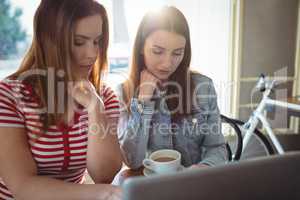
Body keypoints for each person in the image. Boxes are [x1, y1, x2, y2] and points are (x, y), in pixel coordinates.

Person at [0, 0, 122, 199]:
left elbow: (103, 175)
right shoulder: (8, 96)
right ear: (50, 42)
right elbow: (23, 186)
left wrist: (95, 107)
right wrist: (105, 193)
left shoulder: (104, 97)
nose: (92, 54)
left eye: (97, 41)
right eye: (79, 42)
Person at [117, 6, 227, 170]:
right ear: (141, 47)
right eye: (158, 51)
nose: (168, 64)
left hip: (193, 185)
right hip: (151, 187)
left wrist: (205, 167)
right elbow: (132, 160)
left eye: (177, 53)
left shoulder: (203, 88)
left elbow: (216, 147)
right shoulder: (124, 91)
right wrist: (143, 102)